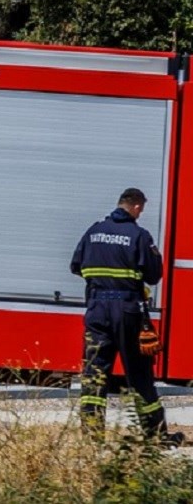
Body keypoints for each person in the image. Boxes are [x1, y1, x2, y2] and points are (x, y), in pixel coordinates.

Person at [71, 187, 182, 446]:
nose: (140, 214)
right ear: (135, 206)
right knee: (140, 374)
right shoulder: (138, 235)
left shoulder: (93, 231)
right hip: (127, 311)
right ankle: (155, 436)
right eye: (140, 209)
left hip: (97, 309)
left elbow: (76, 265)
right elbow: (154, 275)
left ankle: (92, 437)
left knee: (95, 374)